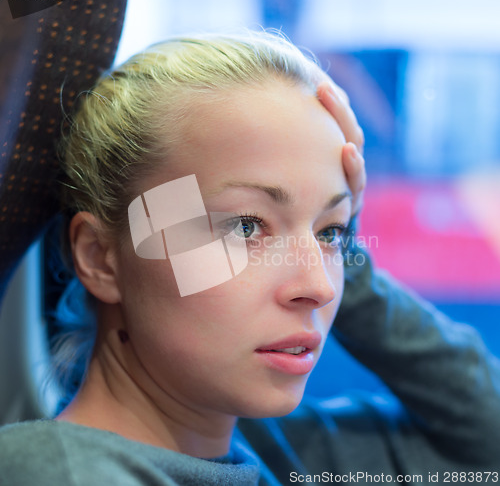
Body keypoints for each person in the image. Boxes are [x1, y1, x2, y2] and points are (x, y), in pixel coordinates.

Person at [0, 31, 498, 485]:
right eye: (246, 225)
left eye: (332, 233)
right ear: (101, 258)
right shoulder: (59, 473)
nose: (320, 287)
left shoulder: (289, 456)